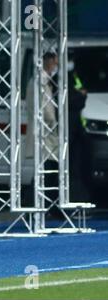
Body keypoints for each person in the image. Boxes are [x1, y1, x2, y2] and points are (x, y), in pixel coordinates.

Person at [25, 52, 60, 215]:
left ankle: (46, 205)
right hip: (45, 132)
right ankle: (33, 205)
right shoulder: (40, 81)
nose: (56, 65)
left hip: (47, 132)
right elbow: (46, 110)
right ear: (48, 62)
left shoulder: (42, 81)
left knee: (49, 169)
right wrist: (54, 123)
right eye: (54, 62)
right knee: (45, 170)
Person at [67, 57, 90, 202]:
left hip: (77, 131)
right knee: (73, 168)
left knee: (78, 168)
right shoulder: (64, 78)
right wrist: (80, 96)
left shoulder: (74, 76)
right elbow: (72, 100)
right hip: (70, 131)